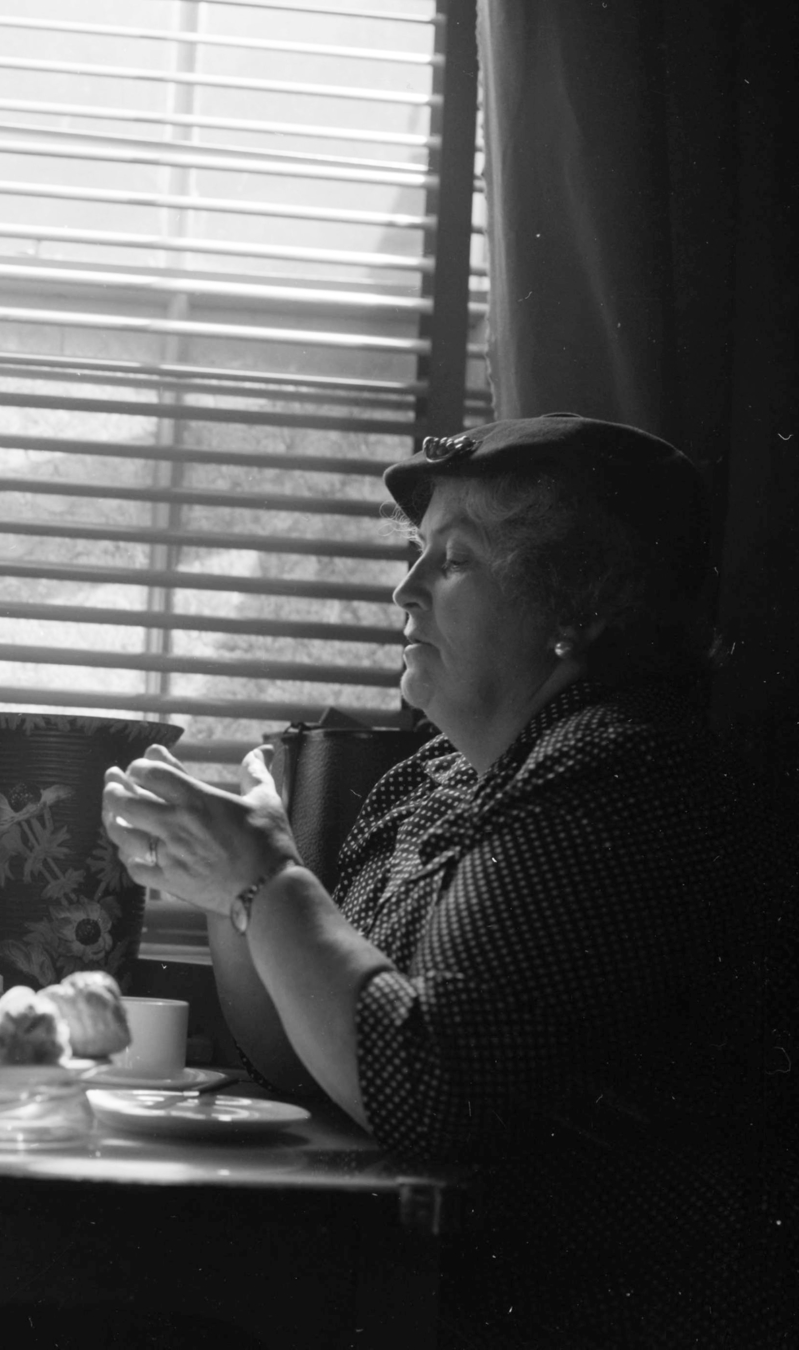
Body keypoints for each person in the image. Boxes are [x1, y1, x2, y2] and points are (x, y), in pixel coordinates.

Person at [102, 415, 791, 1347]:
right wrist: (232, 886)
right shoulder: (440, 776)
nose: (405, 590)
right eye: (416, 553)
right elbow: (306, 1054)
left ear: (578, 600)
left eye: (454, 561)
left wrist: (265, 874)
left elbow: (426, 1090)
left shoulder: (625, 774)